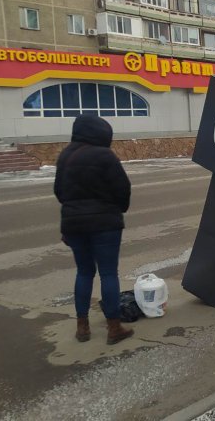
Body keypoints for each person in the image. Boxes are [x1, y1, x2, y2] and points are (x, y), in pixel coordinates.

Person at [54, 114, 133, 345]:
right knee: (108, 273)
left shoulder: (65, 156)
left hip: (73, 224)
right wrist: (119, 208)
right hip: (105, 224)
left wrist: (73, 210)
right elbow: (122, 188)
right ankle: (114, 328)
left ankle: (82, 328)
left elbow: (59, 191)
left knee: (84, 272)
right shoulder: (105, 155)